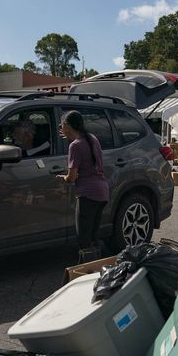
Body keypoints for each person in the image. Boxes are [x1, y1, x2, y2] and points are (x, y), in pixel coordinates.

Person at [58, 111, 109, 263]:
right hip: (102, 192)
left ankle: (87, 271)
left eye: (62, 125)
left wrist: (64, 178)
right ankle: (97, 269)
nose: (61, 128)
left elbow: (72, 176)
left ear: (67, 125)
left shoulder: (75, 146)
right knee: (93, 236)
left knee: (84, 239)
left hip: (88, 194)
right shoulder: (92, 138)